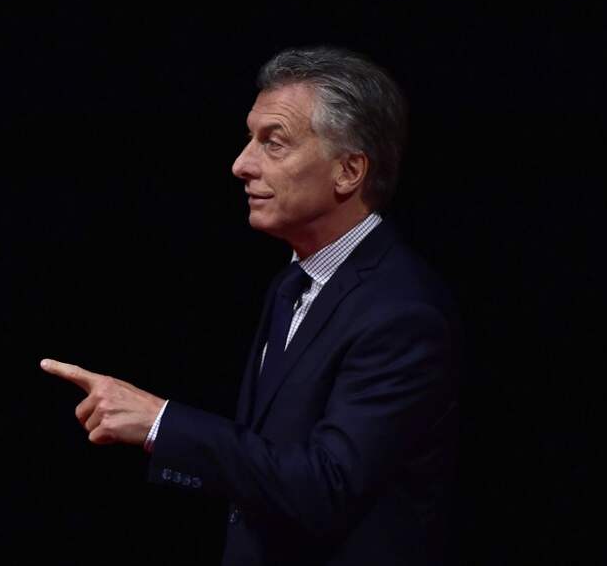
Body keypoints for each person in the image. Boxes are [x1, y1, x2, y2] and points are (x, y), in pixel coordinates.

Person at [41, 46, 459, 565]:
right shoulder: (293, 280)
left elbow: (324, 487)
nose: (241, 164)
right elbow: (264, 462)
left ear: (349, 171)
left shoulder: (402, 312)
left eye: (273, 144)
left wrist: (161, 422)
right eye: (249, 139)